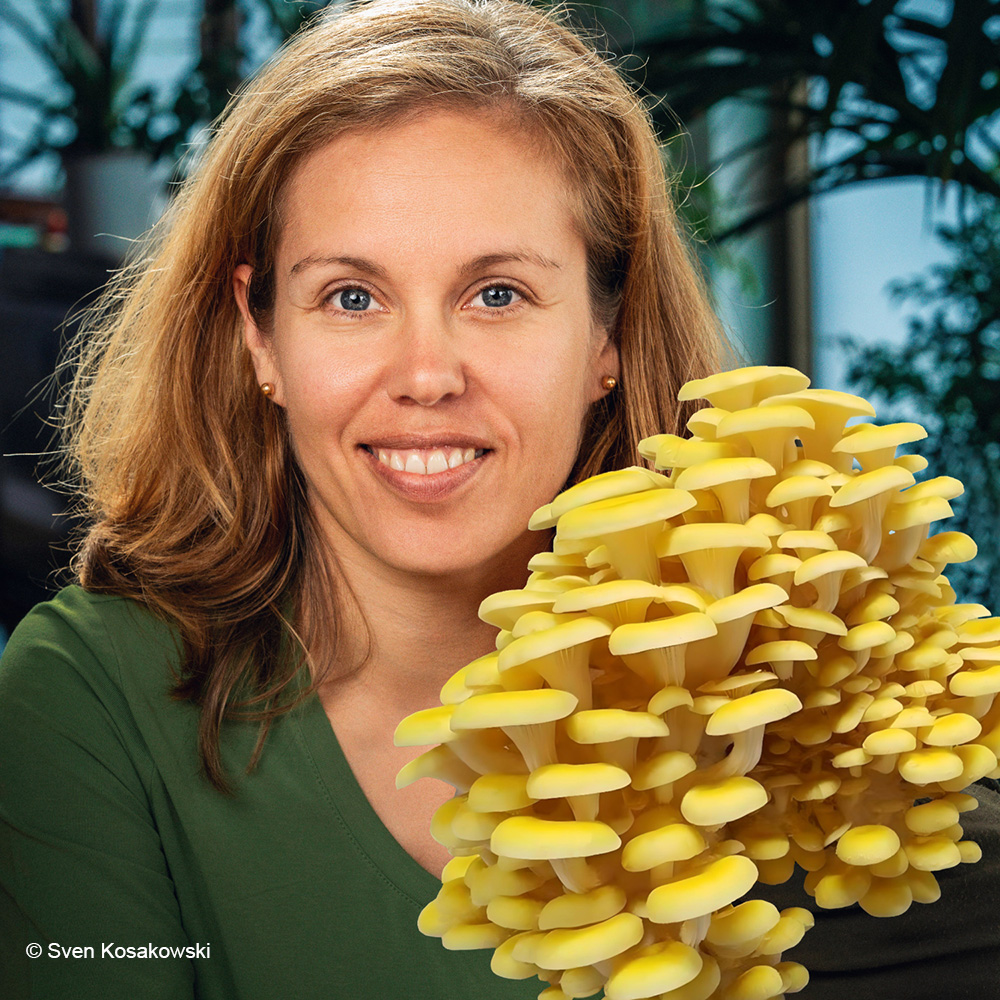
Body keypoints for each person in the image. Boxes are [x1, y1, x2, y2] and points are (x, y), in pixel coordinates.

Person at [0, 1, 995, 998]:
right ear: (261, 337)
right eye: (352, 297)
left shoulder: (809, 702)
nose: (426, 377)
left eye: (497, 294)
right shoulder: (89, 697)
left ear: (606, 337)